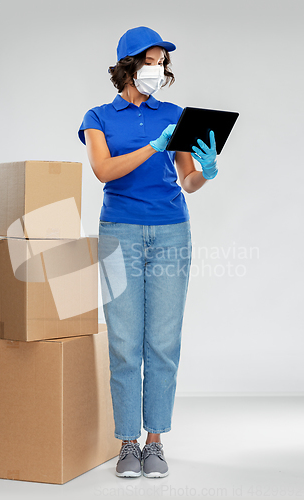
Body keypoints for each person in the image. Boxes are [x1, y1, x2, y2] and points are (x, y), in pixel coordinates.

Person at [78, 26, 218, 479]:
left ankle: (155, 442)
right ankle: (127, 443)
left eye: (162, 64)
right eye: (150, 62)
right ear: (127, 66)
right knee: (123, 343)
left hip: (172, 232)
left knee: (162, 342)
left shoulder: (175, 114)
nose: (158, 70)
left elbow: (187, 181)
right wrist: (150, 147)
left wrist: (207, 171)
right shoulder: (98, 116)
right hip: (119, 231)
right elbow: (103, 170)